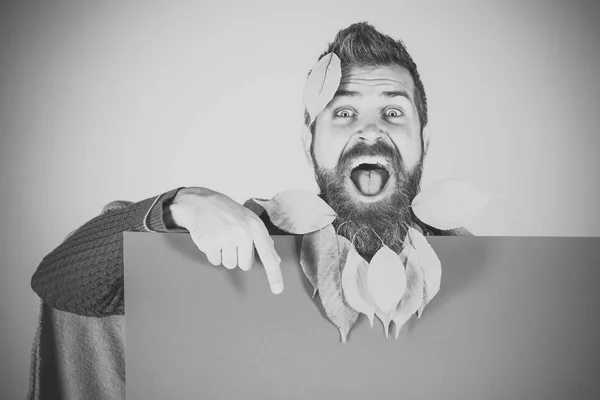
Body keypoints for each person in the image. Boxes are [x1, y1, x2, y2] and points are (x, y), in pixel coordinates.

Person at [26, 21, 470, 400]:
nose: (370, 129)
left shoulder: (464, 263)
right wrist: (181, 205)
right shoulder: (249, 240)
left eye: (393, 112)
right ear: (309, 143)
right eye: (344, 112)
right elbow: (57, 282)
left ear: (423, 144)